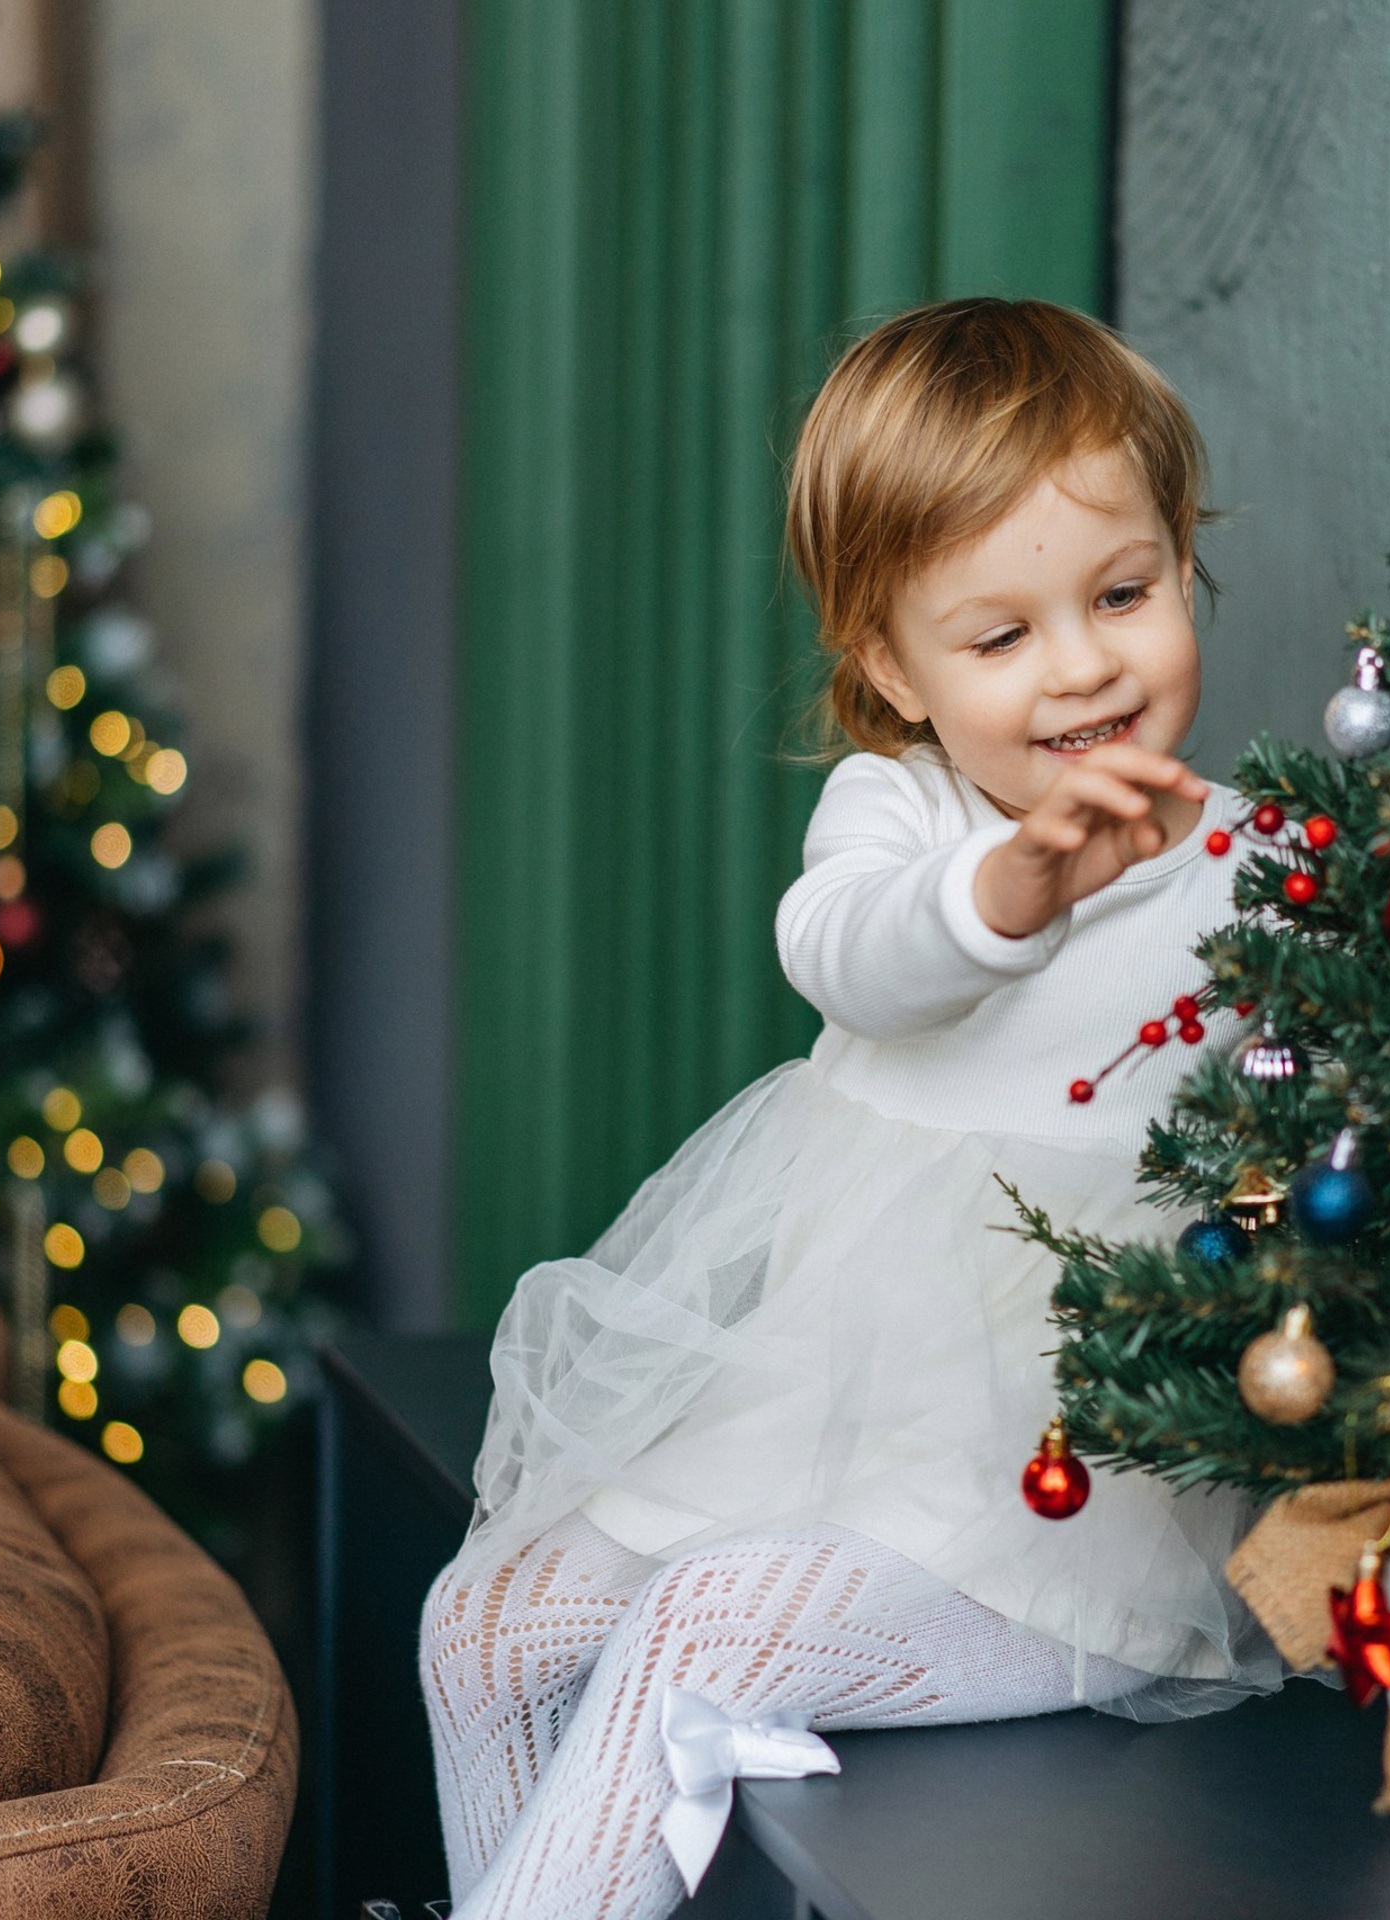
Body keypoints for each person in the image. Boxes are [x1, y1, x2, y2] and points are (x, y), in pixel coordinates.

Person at [419, 296, 1281, 1920]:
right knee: (485, 1624)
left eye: (1125, 592)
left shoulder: (1257, 873)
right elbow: (854, 959)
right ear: (890, 662)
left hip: (1063, 1521)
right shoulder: (899, 817)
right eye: (1000, 634)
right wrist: (1014, 884)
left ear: (1184, 562)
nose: (1086, 664)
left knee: (703, 1631)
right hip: (812, 1440)